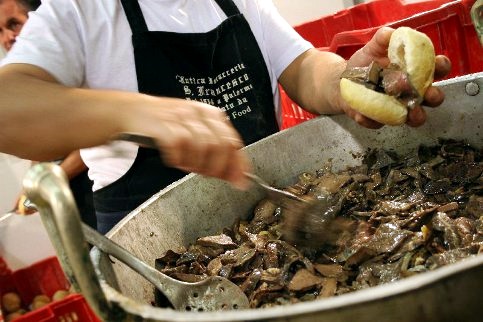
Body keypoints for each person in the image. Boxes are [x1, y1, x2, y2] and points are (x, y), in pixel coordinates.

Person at [0, 0, 451, 234]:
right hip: (161, 258)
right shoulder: (79, 12)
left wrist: (353, 83)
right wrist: (138, 109)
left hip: (274, 217)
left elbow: (303, 67)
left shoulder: (233, 2)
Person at [0, 0, 96, 228]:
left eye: (14, 24)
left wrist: (48, 182)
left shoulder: (75, 63)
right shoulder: (33, 81)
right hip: (69, 198)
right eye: (0, 32)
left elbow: (98, 140)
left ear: (42, 18)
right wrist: (31, 183)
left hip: (95, 186)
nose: (7, 38)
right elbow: (42, 144)